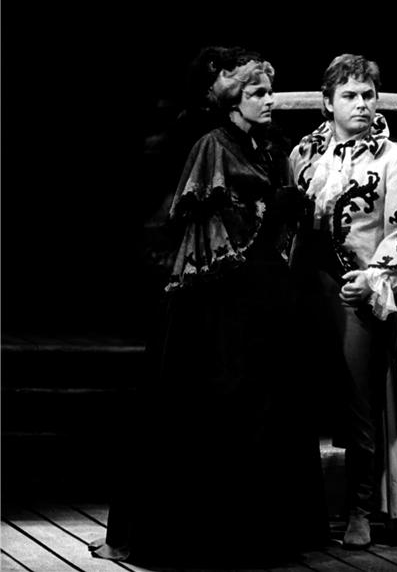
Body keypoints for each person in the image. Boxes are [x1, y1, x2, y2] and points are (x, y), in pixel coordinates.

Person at [90, 46, 329, 566]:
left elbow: (280, 222)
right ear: (233, 99)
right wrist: (268, 212)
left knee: (263, 410)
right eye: (258, 93)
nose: (269, 100)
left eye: (269, 91)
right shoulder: (214, 146)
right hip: (217, 301)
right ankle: (203, 536)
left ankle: (256, 534)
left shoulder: (270, 147)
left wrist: (291, 206)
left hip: (266, 297)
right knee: (216, 407)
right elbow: (209, 227)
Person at [289, 54, 397, 550]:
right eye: (349, 95)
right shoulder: (304, 154)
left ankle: (360, 510)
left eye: (368, 94)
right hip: (307, 290)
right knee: (296, 397)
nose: (362, 104)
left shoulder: (394, 158)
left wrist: (373, 279)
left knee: (358, 405)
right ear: (328, 102)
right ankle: (297, 510)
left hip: (358, 290)